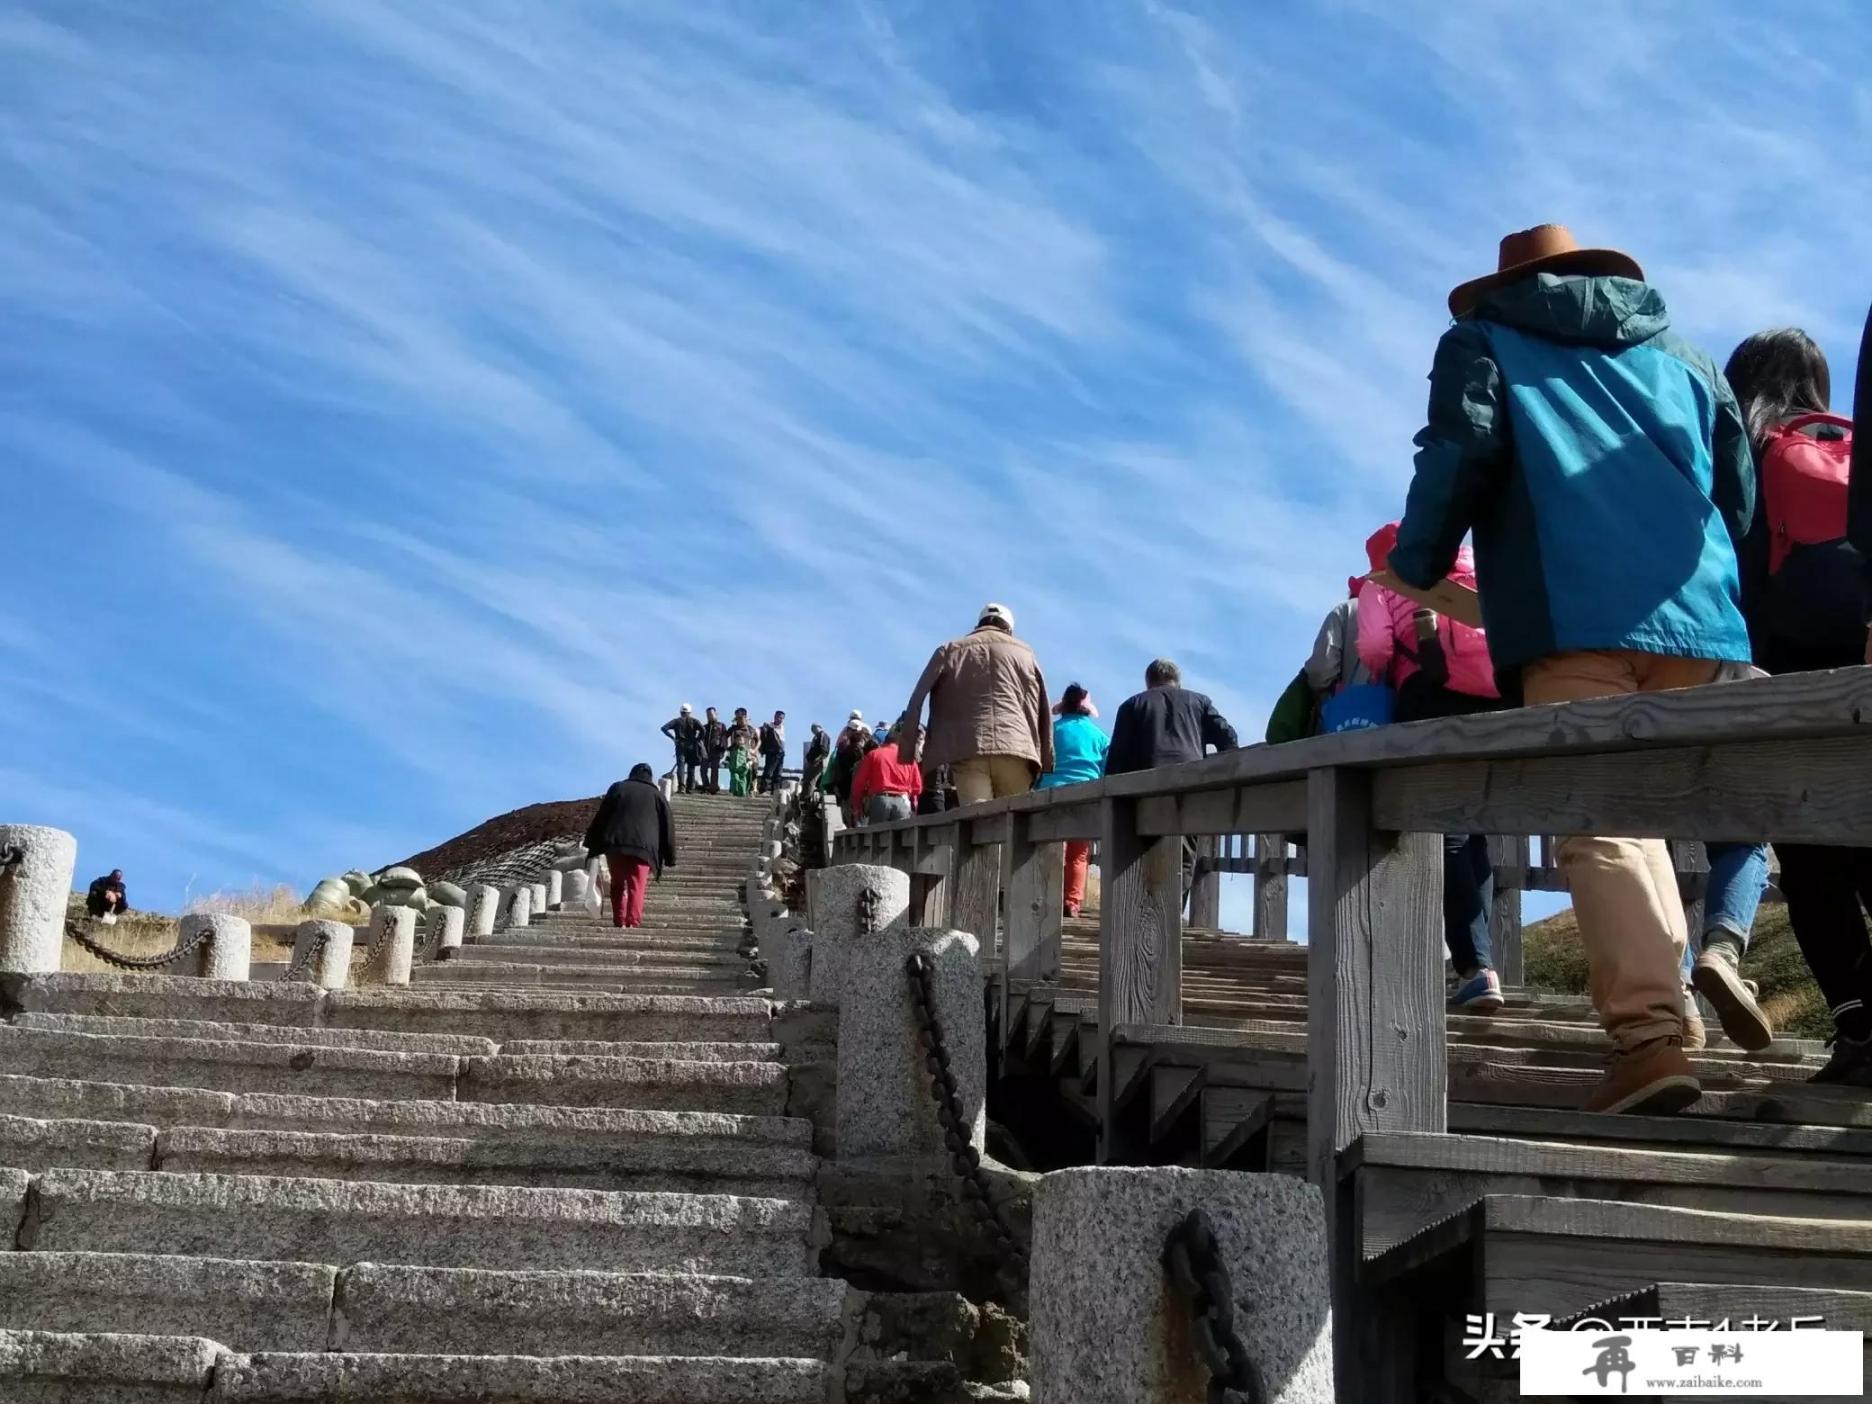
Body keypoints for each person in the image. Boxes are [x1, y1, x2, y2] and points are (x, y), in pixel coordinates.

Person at [1388, 223, 1753, 1115]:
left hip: (1572, 617)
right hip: (1699, 619)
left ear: (1507, 283)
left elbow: (1461, 454)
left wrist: (1420, 561)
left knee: (1602, 825)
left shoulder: (1483, 340)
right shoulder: (1689, 358)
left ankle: (1650, 1039)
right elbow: (1739, 490)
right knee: (1652, 824)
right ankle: (1677, 1021)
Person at [1722, 328, 1861, 1076]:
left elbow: (1736, 576)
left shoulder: (1746, 450)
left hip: (1786, 675)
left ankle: (1858, 1026)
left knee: (1811, 859)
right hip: (1866, 657)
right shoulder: (1852, 443)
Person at [1356, 522, 1504, 1014]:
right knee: (1478, 827)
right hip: (1491, 694)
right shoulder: (1466, 564)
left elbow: (1376, 646)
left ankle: (1475, 967)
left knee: (1446, 831)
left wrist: (1381, 675)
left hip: (1428, 693)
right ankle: (1485, 961)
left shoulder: (1383, 582)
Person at [1107, 659, 1238, 905]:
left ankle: (1143, 912)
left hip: (1145, 790)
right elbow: (1228, 737)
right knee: (1185, 855)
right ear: (1178, 681)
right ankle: (1173, 913)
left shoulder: (1132, 705)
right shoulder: (1199, 702)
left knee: (1140, 852)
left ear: (1148, 681)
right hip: (1189, 786)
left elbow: (1117, 759)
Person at [898, 603, 1053, 805]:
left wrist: (907, 754)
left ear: (979, 623)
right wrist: (1045, 759)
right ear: (1009, 629)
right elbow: (1043, 707)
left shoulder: (950, 650)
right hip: (1017, 748)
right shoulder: (1026, 653)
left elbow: (916, 699)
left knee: (980, 825)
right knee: (1015, 825)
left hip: (969, 748)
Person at [1038, 685, 1109, 918]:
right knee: (1079, 852)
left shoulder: (1050, 732)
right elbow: (1107, 769)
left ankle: (1044, 896)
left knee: (1049, 847)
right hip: (1085, 795)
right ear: (1087, 710)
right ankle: (1072, 901)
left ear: (1064, 707)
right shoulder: (1099, 736)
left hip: (1049, 794)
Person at [582, 763, 676, 929]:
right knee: (636, 885)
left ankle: (619, 921)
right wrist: (670, 856)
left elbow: (602, 815)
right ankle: (632, 922)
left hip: (616, 844)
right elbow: (667, 826)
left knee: (617, 884)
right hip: (643, 849)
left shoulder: (618, 788)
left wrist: (591, 843)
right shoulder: (656, 795)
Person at [852, 723, 924, 824]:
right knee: (901, 838)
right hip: (901, 803)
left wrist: (857, 807)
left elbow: (858, 784)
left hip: (880, 802)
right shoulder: (909, 758)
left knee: (877, 838)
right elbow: (917, 788)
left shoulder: (873, 755)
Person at [660, 705, 704, 794]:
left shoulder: (676, 721)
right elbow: (703, 730)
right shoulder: (694, 721)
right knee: (691, 767)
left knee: (681, 766)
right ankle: (690, 788)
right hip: (692, 745)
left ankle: (681, 788)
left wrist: (673, 738)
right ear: (690, 712)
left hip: (680, 745)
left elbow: (664, 728)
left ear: (681, 712)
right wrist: (698, 739)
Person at [726, 707, 759, 797]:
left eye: (740, 717)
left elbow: (758, 741)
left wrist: (754, 751)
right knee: (735, 773)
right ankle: (735, 789)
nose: (738, 720)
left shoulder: (751, 729)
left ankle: (752, 789)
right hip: (736, 754)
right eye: (736, 718)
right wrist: (727, 748)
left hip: (748, 754)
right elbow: (724, 736)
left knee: (753, 770)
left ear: (745, 717)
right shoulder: (733, 729)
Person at [701, 707, 730, 795]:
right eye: (708, 715)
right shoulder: (704, 727)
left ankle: (713, 788)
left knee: (714, 770)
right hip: (706, 751)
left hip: (716, 751)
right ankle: (706, 786)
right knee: (703, 770)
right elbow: (701, 739)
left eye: (711, 714)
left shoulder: (721, 726)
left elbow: (724, 738)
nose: (709, 716)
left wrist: (723, 749)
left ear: (716, 714)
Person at [759, 711, 787, 794]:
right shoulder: (769, 727)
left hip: (781, 752)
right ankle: (763, 789)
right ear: (774, 717)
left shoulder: (782, 727)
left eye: (781, 718)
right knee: (768, 772)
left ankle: (775, 792)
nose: (780, 719)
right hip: (772, 752)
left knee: (778, 774)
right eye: (778, 717)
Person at [802, 723, 831, 794]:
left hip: (817, 761)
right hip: (813, 761)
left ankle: (807, 798)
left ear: (819, 727)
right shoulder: (816, 737)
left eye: (814, 728)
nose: (813, 730)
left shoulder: (822, 735)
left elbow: (823, 750)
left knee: (810, 780)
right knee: (808, 780)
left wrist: (818, 759)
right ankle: (807, 796)